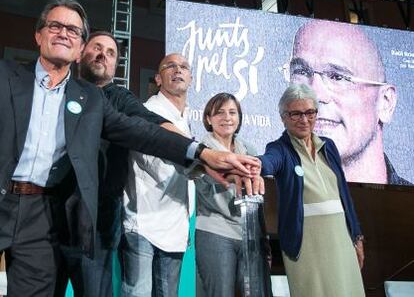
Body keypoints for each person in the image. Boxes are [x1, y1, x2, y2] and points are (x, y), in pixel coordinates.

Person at [0, 0, 261, 297]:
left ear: (78, 46)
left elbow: (145, 129)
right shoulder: (7, 76)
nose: (64, 33)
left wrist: (202, 153)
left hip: (56, 216)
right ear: (39, 35)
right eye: (55, 26)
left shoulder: (93, 100)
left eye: (73, 30)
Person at [54, 31, 179, 297]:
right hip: (49, 218)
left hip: (97, 226)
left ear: (115, 66)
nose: (103, 55)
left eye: (111, 53)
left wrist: (196, 150)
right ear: (80, 55)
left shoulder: (120, 99)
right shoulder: (58, 92)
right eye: (97, 48)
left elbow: (149, 121)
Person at [260, 84, 365, 297]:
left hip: (341, 238)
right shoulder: (279, 149)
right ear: (283, 117)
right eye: (296, 114)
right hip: (306, 242)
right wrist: (252, 164)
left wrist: (357, 235)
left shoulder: (329, 146)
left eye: (310, 112)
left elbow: (344, 195)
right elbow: (267, 163)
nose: (304, 119)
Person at [286, 19, 410, 185]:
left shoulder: (408, 206)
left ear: (385, 102)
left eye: (337, 77)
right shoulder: (270, 200)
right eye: (301, 71)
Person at [120, 53, 196, 297]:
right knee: (138, 294)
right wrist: (202, 166)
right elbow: (151, 160)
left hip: (175, 224)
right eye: (170, 66)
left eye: (183, 67)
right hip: (143, 220)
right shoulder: (148, 111)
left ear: (191, 78)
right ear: (158, 78)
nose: (178, 70)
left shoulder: (187, 118)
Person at [195, 93, 269, 297]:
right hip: (215, 231)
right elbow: (207, 180)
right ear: (208, 119)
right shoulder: (201, 150)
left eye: (232, 112)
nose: (227, 117)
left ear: (239, 118)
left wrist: (263, 240)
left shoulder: (249, 149)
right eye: (219, 113)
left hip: (249, 234)